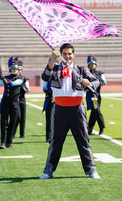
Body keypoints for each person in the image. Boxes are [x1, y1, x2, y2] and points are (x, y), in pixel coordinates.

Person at [39, 43, 100, 179]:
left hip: (77, 109)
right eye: (65, 54)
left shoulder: (81, 70)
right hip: (59, 109)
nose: (67, 56)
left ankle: (91, 170)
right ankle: (48, 170)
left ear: (73, 54)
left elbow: (96, 81)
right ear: (61, 54)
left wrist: (89, 83)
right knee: (55, 141)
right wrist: (52, 59)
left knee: (83, 140)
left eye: (70, 53)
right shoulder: (55, 68)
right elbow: (45, 77)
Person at [0, 57, 27, 149]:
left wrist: (1, 76)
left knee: (12, 123)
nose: (14, 70)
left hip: (15, 104)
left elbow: (12, 84)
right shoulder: (6, 78)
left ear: (18, 70)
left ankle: (9, 142)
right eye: (12, 69)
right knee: (3, 123)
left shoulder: (21, 79)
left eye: (15, 69)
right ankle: (2, 143)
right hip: (5, 103)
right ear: (10, 69)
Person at [85, 55, 106, 136]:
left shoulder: (99, 73)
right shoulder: (86, 73)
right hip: (90, 95)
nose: (92, 66)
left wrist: (98, 79)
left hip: (98, 95)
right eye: (90, 64)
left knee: (95, 112)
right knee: (96, 111)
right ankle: (101, 128)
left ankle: (89, 129)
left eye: (93, 64)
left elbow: (104, 82)